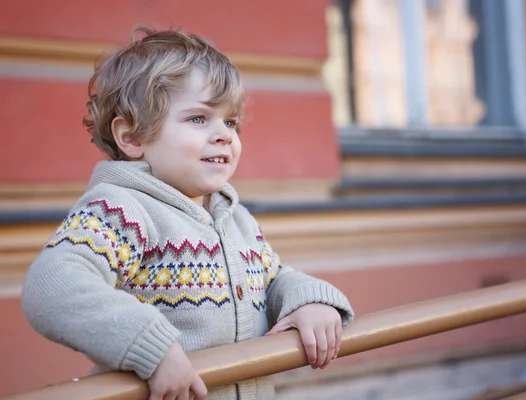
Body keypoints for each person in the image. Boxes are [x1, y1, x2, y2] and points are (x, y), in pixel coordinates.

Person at [21, 27, 354, 400]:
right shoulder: (121, 210)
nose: (224, 134)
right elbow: (53, 284)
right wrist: (151, 346)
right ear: (131, 137)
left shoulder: (233, 216)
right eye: (199, 119)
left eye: (231, 122)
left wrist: (308, 301)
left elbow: (273, 278)